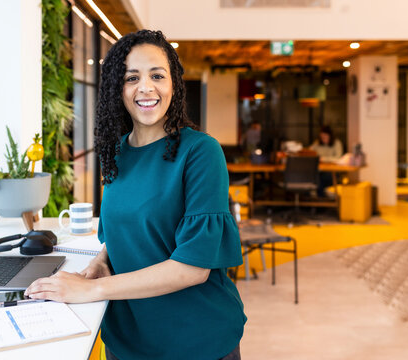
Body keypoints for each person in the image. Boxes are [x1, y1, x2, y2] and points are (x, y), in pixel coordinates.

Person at [25, 30, 246, 360]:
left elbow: (193, 268)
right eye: (132, 78)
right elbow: (122, 231)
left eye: (157, 75)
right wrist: (103, 261)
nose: (146, 87)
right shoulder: (116, 153)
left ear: (173, 84)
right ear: (119, 88)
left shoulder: (201, 152)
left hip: (194, 339)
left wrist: (92, 288)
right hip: (126, 338)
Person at [310, 125, 344, 196]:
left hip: (332, 171)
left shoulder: (337, 143)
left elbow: (338, 158)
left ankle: (320, 201)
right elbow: (309, 152)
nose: (323, 139)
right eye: (321, 137)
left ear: (330, 136)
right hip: (320, 170)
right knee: (314, 177)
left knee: (320, 179)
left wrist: (323, 159)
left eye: (325, 137)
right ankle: (314, 201)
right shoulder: (317, 143)